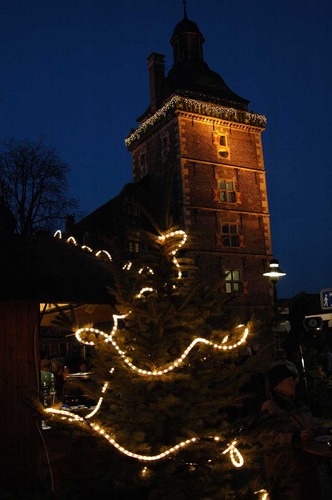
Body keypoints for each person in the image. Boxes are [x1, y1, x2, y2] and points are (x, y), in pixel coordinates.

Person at [260, 363, 323, 499]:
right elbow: (268, 437)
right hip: (286, 470)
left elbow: (311, 421)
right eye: (289, 380)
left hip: (306, 465)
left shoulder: (297, 404)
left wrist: (319, 428)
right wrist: (295, 437)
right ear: (277, 385)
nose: (294, 383)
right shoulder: (270, 407)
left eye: (294, 380)